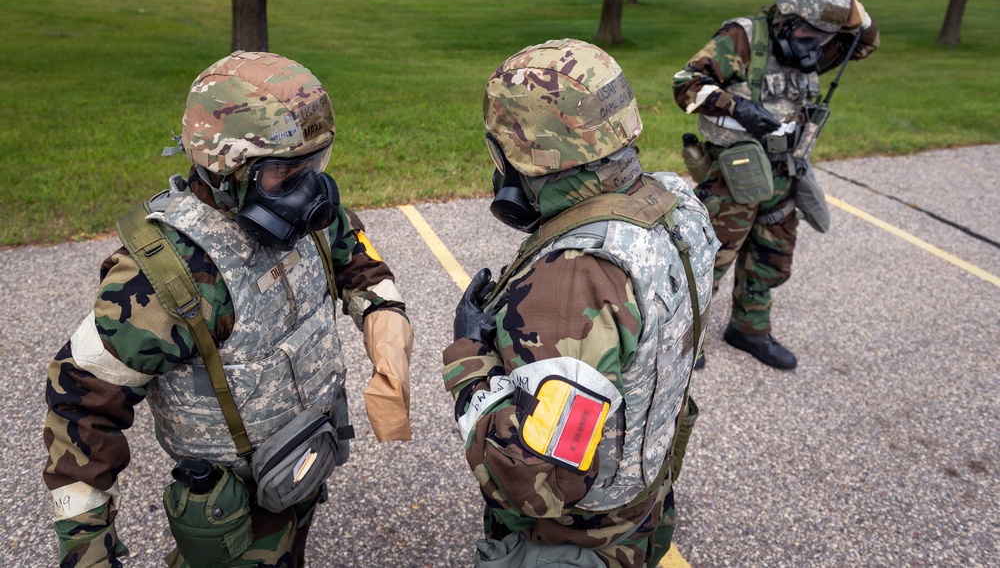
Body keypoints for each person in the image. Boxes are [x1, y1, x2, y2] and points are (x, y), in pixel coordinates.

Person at [42, 51, 414, 568]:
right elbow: (79, 403)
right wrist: (89, 554)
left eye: (316, 164)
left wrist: (388, 344)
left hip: (302, 457)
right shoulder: (168, 277)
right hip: (234, 511)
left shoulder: (312, 220)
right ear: (226, 167)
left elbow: (363, 270)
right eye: (286, 172)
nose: (310, 191)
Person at [443, 39, 719, 568]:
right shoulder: (677, 205)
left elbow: (532, 484)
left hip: (577, 538)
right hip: (642, 501)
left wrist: (469, 360)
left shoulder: (575, 280)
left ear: (522, 154)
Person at [672, 0, 880, 370]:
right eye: (809, 35)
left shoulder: (820, 42)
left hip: (785, 171)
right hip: (735, 173)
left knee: (771, 256)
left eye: (825, 39)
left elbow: (865, 42)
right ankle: (679, 342)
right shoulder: (744, 37)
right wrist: (739, 108)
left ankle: (749, 328)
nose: (817, 48)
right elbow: (686, 84)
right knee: (708, 260)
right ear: (786, 19)